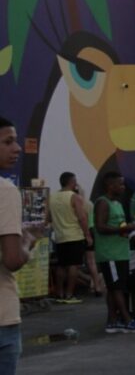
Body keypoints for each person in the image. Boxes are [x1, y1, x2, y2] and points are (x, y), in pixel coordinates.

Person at [1, 116, 44, 373]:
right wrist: (27, 243)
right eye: (8, 142)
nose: (17, 148)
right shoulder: (5, 191)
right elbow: (13, 260)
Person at [94, 171, 135, 333]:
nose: (123, 187)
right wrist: (123, 228)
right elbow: (100, 227)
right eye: (120, 184)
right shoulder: (103, 202)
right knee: (117, 288)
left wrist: (128, 228)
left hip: (120, 252)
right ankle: (126, 320)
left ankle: (113, 320)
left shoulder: (117, 203)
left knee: (114, 286)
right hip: (110, 254)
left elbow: (119, 226)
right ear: (110, 185)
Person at [48, 172, 91, 303]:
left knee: (61, 265)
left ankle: (60, 294)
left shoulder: (52, 197)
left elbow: (48, 217)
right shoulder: (74, 197)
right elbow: (82, 217)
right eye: (75, 181)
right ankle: (69, 295)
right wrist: (87, 235)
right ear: (72, 182)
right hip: (74, 235)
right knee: (73, 266)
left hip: (59, 236)